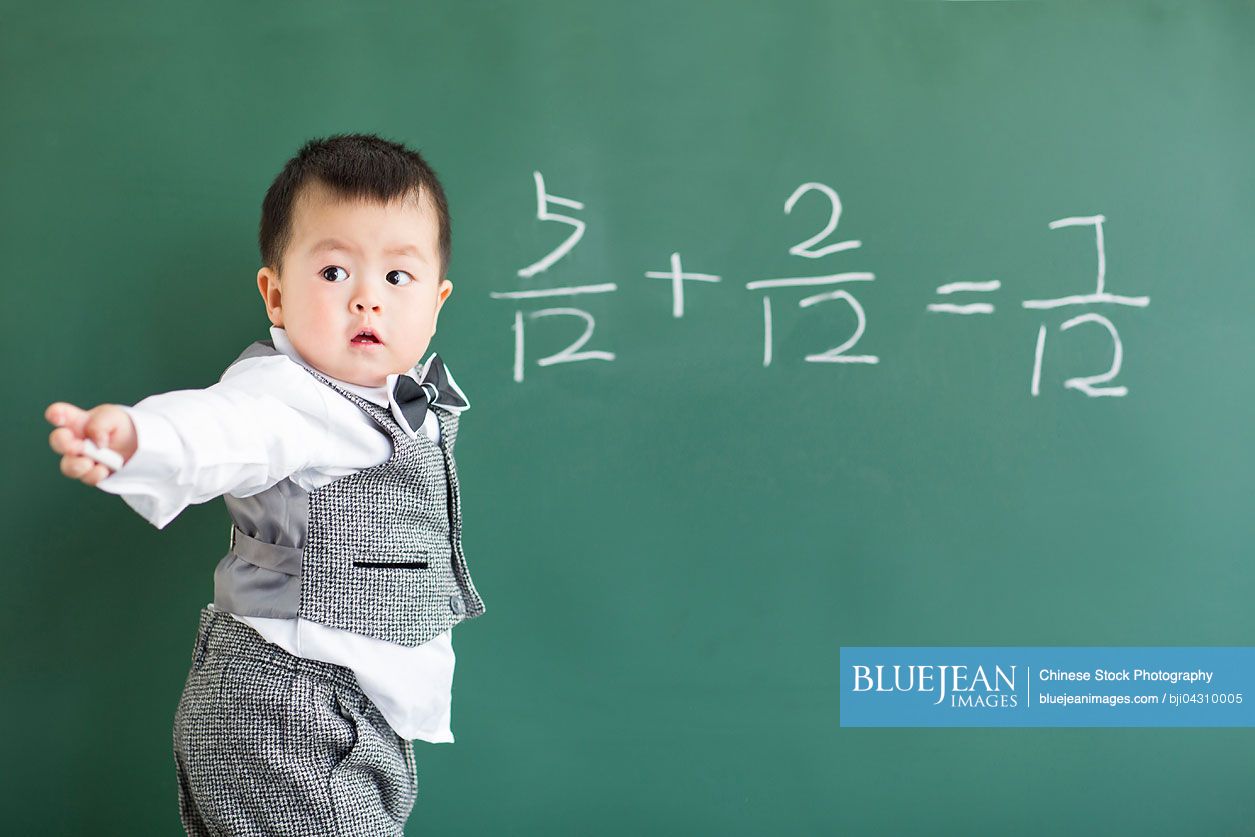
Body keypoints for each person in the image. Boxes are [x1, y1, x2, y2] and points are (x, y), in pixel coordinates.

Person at [43, 132, 486, 835]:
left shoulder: (394, 407)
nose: (367, 299)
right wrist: (136, 438)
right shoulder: (287, 395)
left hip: (339, 713)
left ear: (436, 301)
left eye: (396, 278)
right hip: (293, 710)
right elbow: (220, 426)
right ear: (275, 294)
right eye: (335, 272)